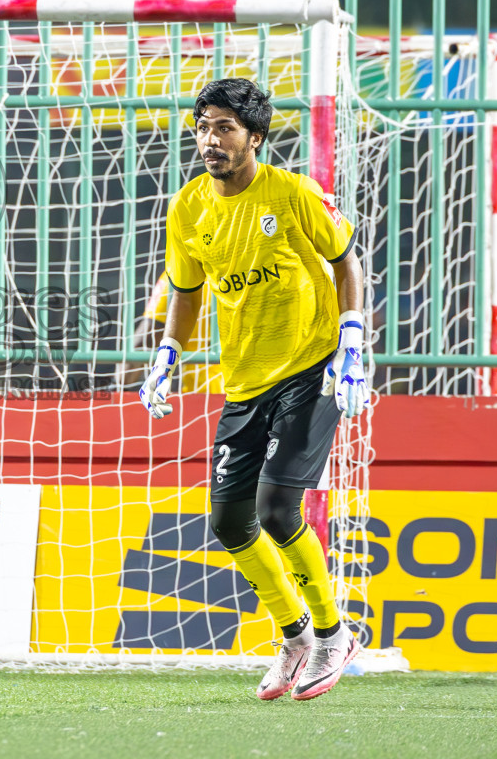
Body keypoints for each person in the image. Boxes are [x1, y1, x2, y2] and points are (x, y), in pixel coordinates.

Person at [138, 77, 367, 702]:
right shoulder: (187, 208)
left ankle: (331, 633)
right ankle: (293, 635)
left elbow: (347, 260)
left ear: (254, 138)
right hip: (243, 380)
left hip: (311, 368)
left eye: (224, 129)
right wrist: (168, 350)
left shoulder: (292, 193)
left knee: (275, 507)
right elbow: (187, 293)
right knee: (230, 520)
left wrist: (350, 337)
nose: (210, 140)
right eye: (203, 126)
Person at [118, 273, 221, 395]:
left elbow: (147, 338)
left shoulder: (177, 275)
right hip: (242, 388)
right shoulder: (245, 274)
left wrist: (117, 386)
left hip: (204, 395)